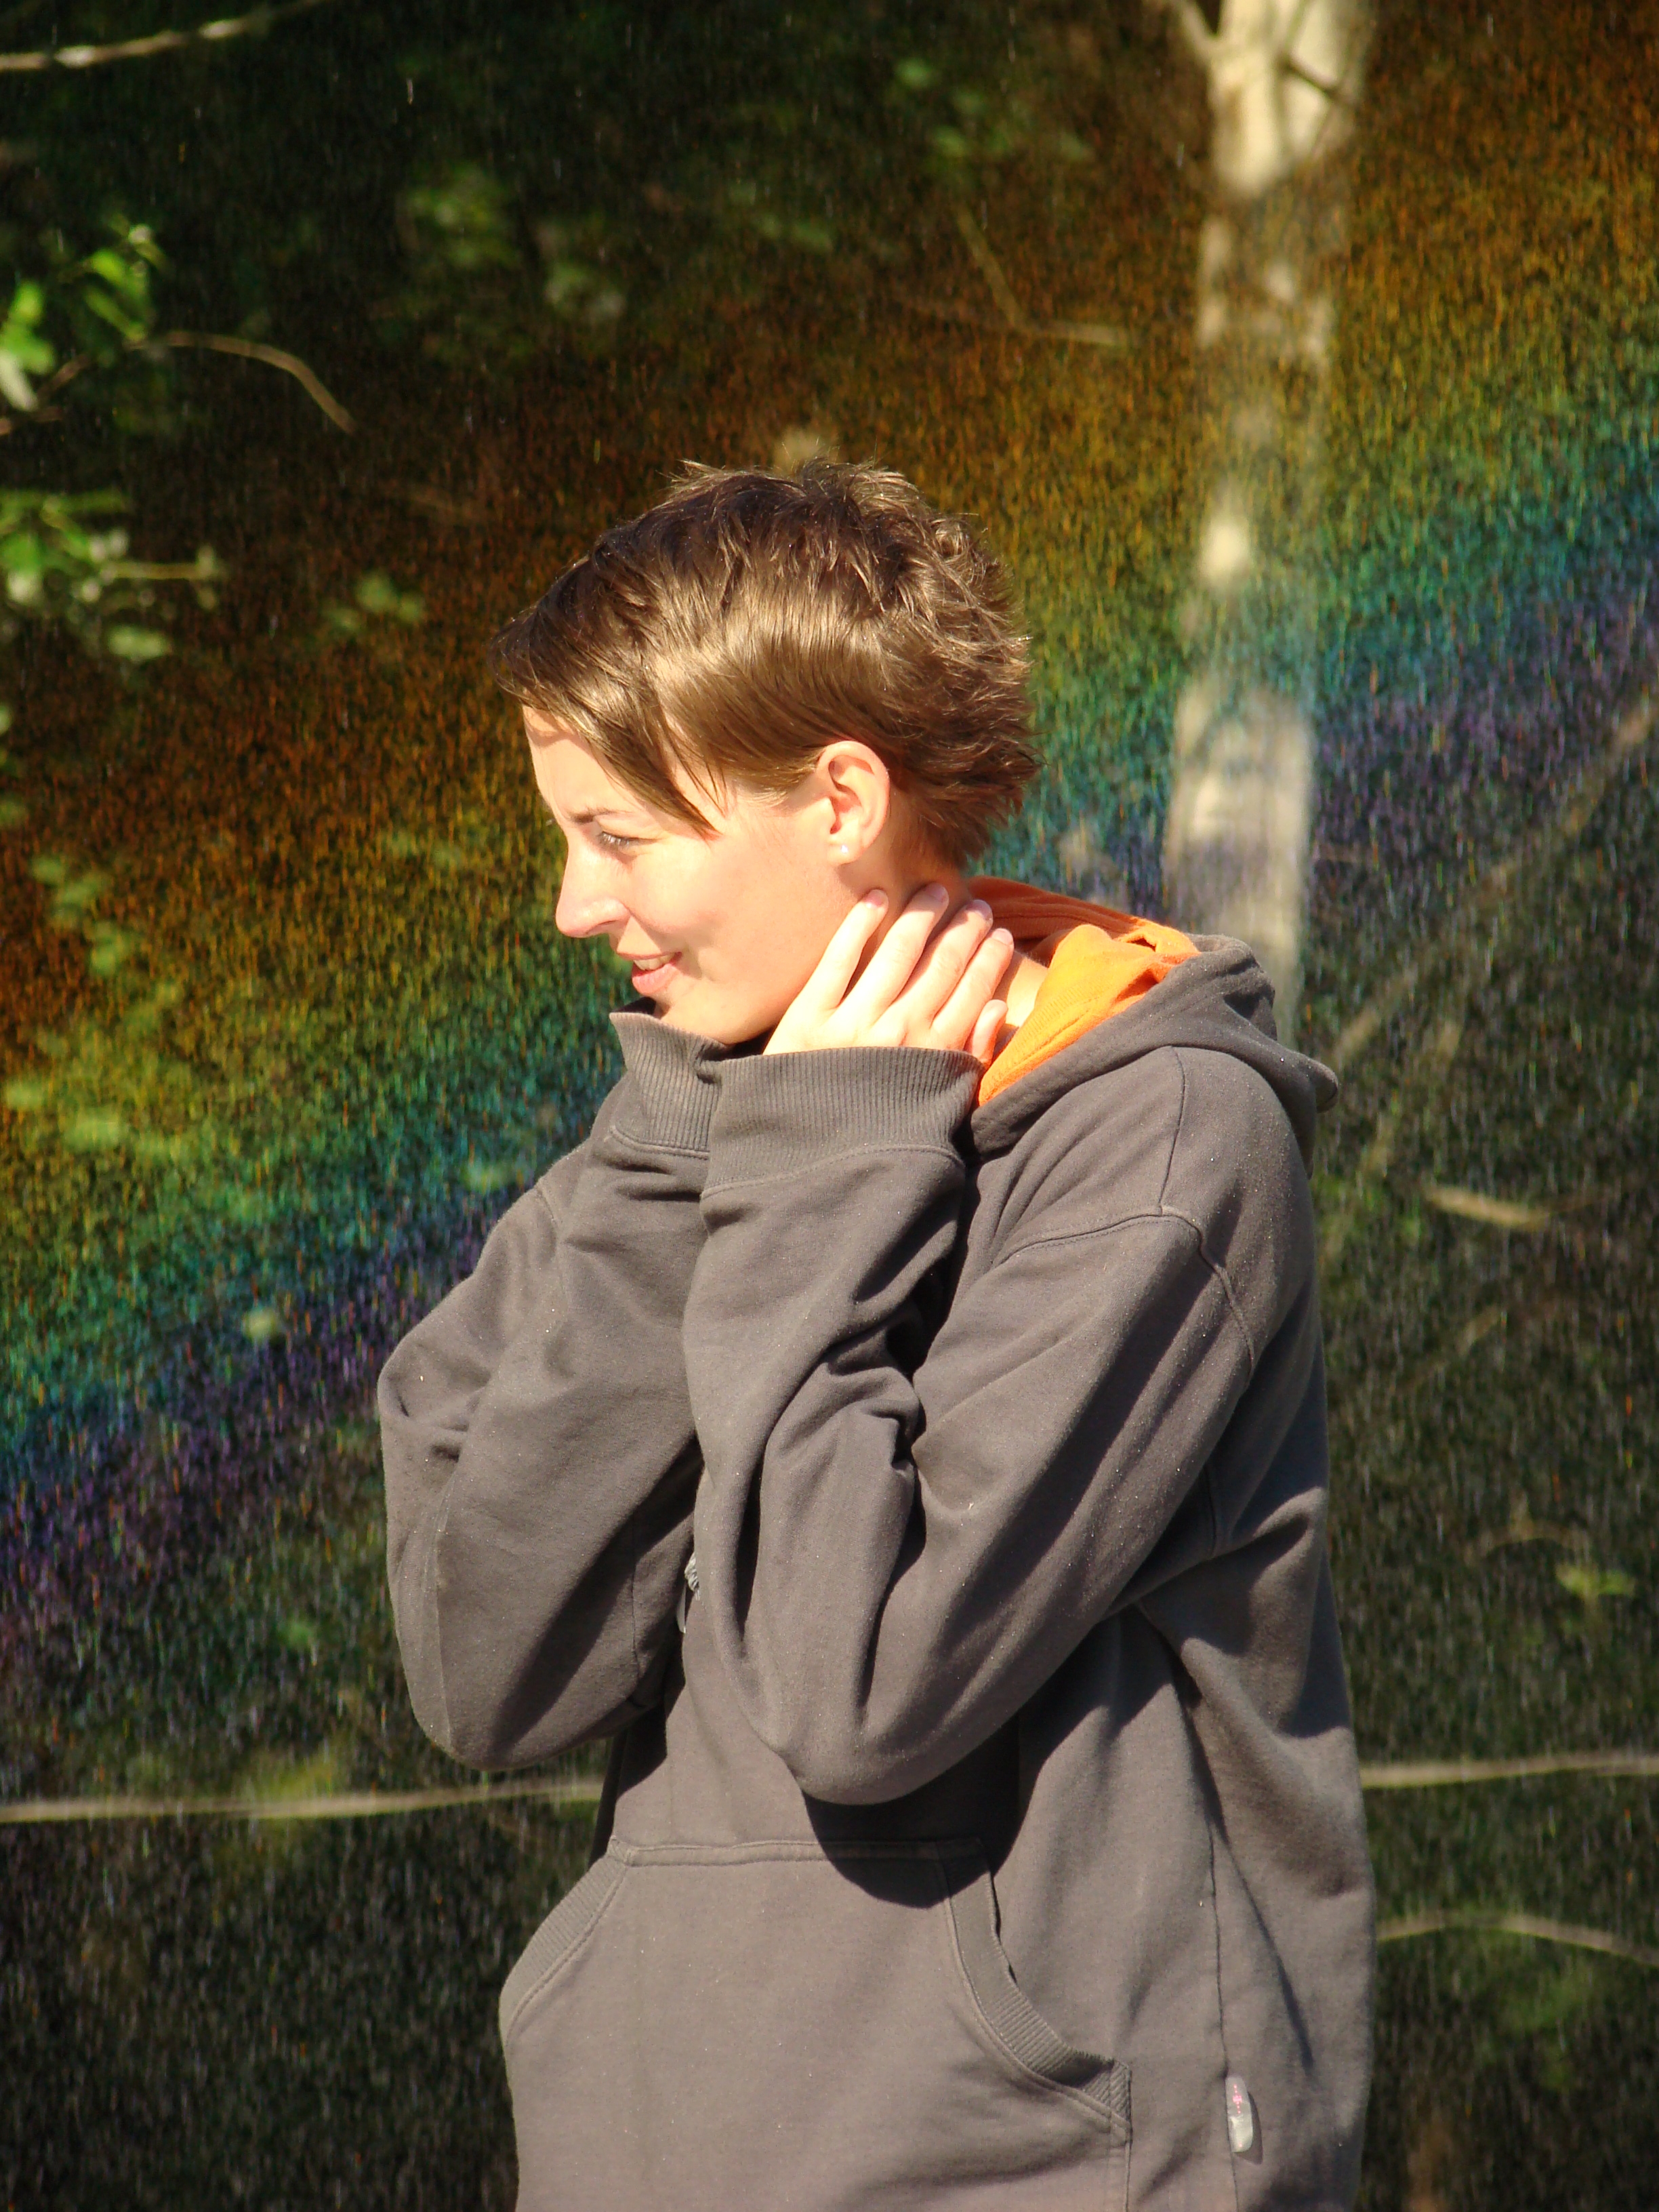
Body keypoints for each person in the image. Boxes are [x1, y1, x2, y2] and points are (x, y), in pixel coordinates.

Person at [377, 459, 1374, 2211]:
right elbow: (487, 1672)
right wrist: (704, 1153)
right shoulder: (667, 1144)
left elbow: (863, 1693)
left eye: (619, 838)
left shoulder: (1156, 1136)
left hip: (1046, 2170)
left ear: (839, 796)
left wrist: (819, 1169)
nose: (571, 907)